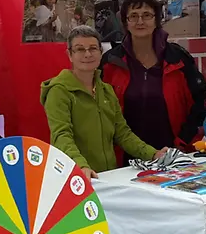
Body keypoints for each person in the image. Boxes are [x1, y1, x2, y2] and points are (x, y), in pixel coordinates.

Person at [41, 26, 168, 179]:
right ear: (70, 55)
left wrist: (153, 154)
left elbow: (122, 133)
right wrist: (81, 166)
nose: (87, 54)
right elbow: (61, 136)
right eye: (80, 49)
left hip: (108, 178)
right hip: (76, 179)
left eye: (93, 48)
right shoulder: (59, 91)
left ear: (101, 53)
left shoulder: (106, 90)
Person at [100, 0, 206, 155]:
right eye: (133, 16)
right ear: (125, 22)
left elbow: (200, 104)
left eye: (146, 15)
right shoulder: (110, 61)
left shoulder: (178, 58)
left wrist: (183, 141)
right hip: (125, 158)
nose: (140, 21)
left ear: (157, 19)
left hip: (173, 154)